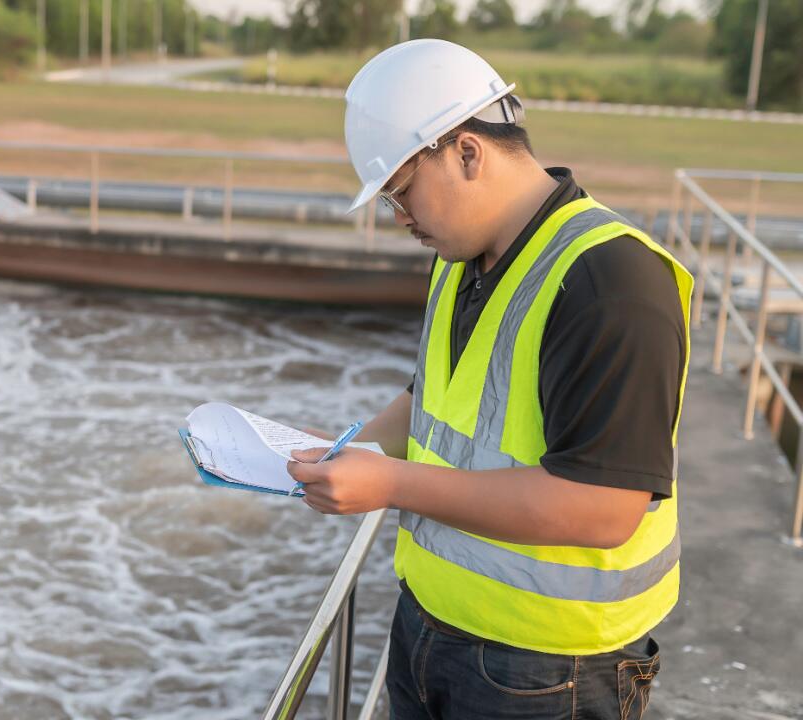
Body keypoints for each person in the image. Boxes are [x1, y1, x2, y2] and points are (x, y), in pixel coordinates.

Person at [286, 39, 691, 720]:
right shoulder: (459, 258)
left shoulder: (609, 281)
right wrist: (346, 451)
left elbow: (604, 508)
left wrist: (387, 484)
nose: (402, 219)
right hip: (430, 626)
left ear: (467, 150)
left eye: (402, 192)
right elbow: (431, 401)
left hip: (550, 670)